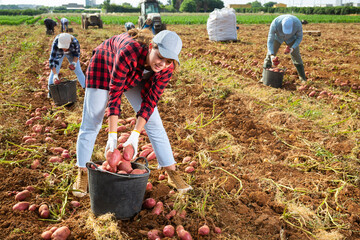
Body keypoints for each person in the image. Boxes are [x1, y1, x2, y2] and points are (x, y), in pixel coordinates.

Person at [74, 29, 192, 197]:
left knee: (154, 122)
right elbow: (115, 95)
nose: (162, 64)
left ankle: (172, 172)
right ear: (152, 47)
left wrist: (135, 135)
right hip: (105, 64)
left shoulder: (166, 68)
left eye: (168, 61)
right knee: (93, 120)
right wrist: (112, 135)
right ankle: (82, 172)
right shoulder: (128, 52)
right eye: (160, 57)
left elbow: (150, 102)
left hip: (136, 73)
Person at [261, 14, 306, 84]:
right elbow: (270, 41)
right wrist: (272, 55)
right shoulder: (275, 23)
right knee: (268, 56)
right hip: (278, 37)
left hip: (292, 38)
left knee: (296, 56)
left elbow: (299, 37)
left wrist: (292, 48)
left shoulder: (297, 24)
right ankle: (264, 77)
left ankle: (302, 78)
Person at [48, 33, 85, 97]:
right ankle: (51, 93)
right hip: (59, 53)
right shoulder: (56, 43)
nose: (64, 50)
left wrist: (74, 63)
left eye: (65, 47)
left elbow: (76, 55)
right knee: (54, 71)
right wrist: (55, 75)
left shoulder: (75, 42)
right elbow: (52, 61)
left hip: (71, 52)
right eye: (62, 47)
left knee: (78, 70)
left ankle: (86, 89)